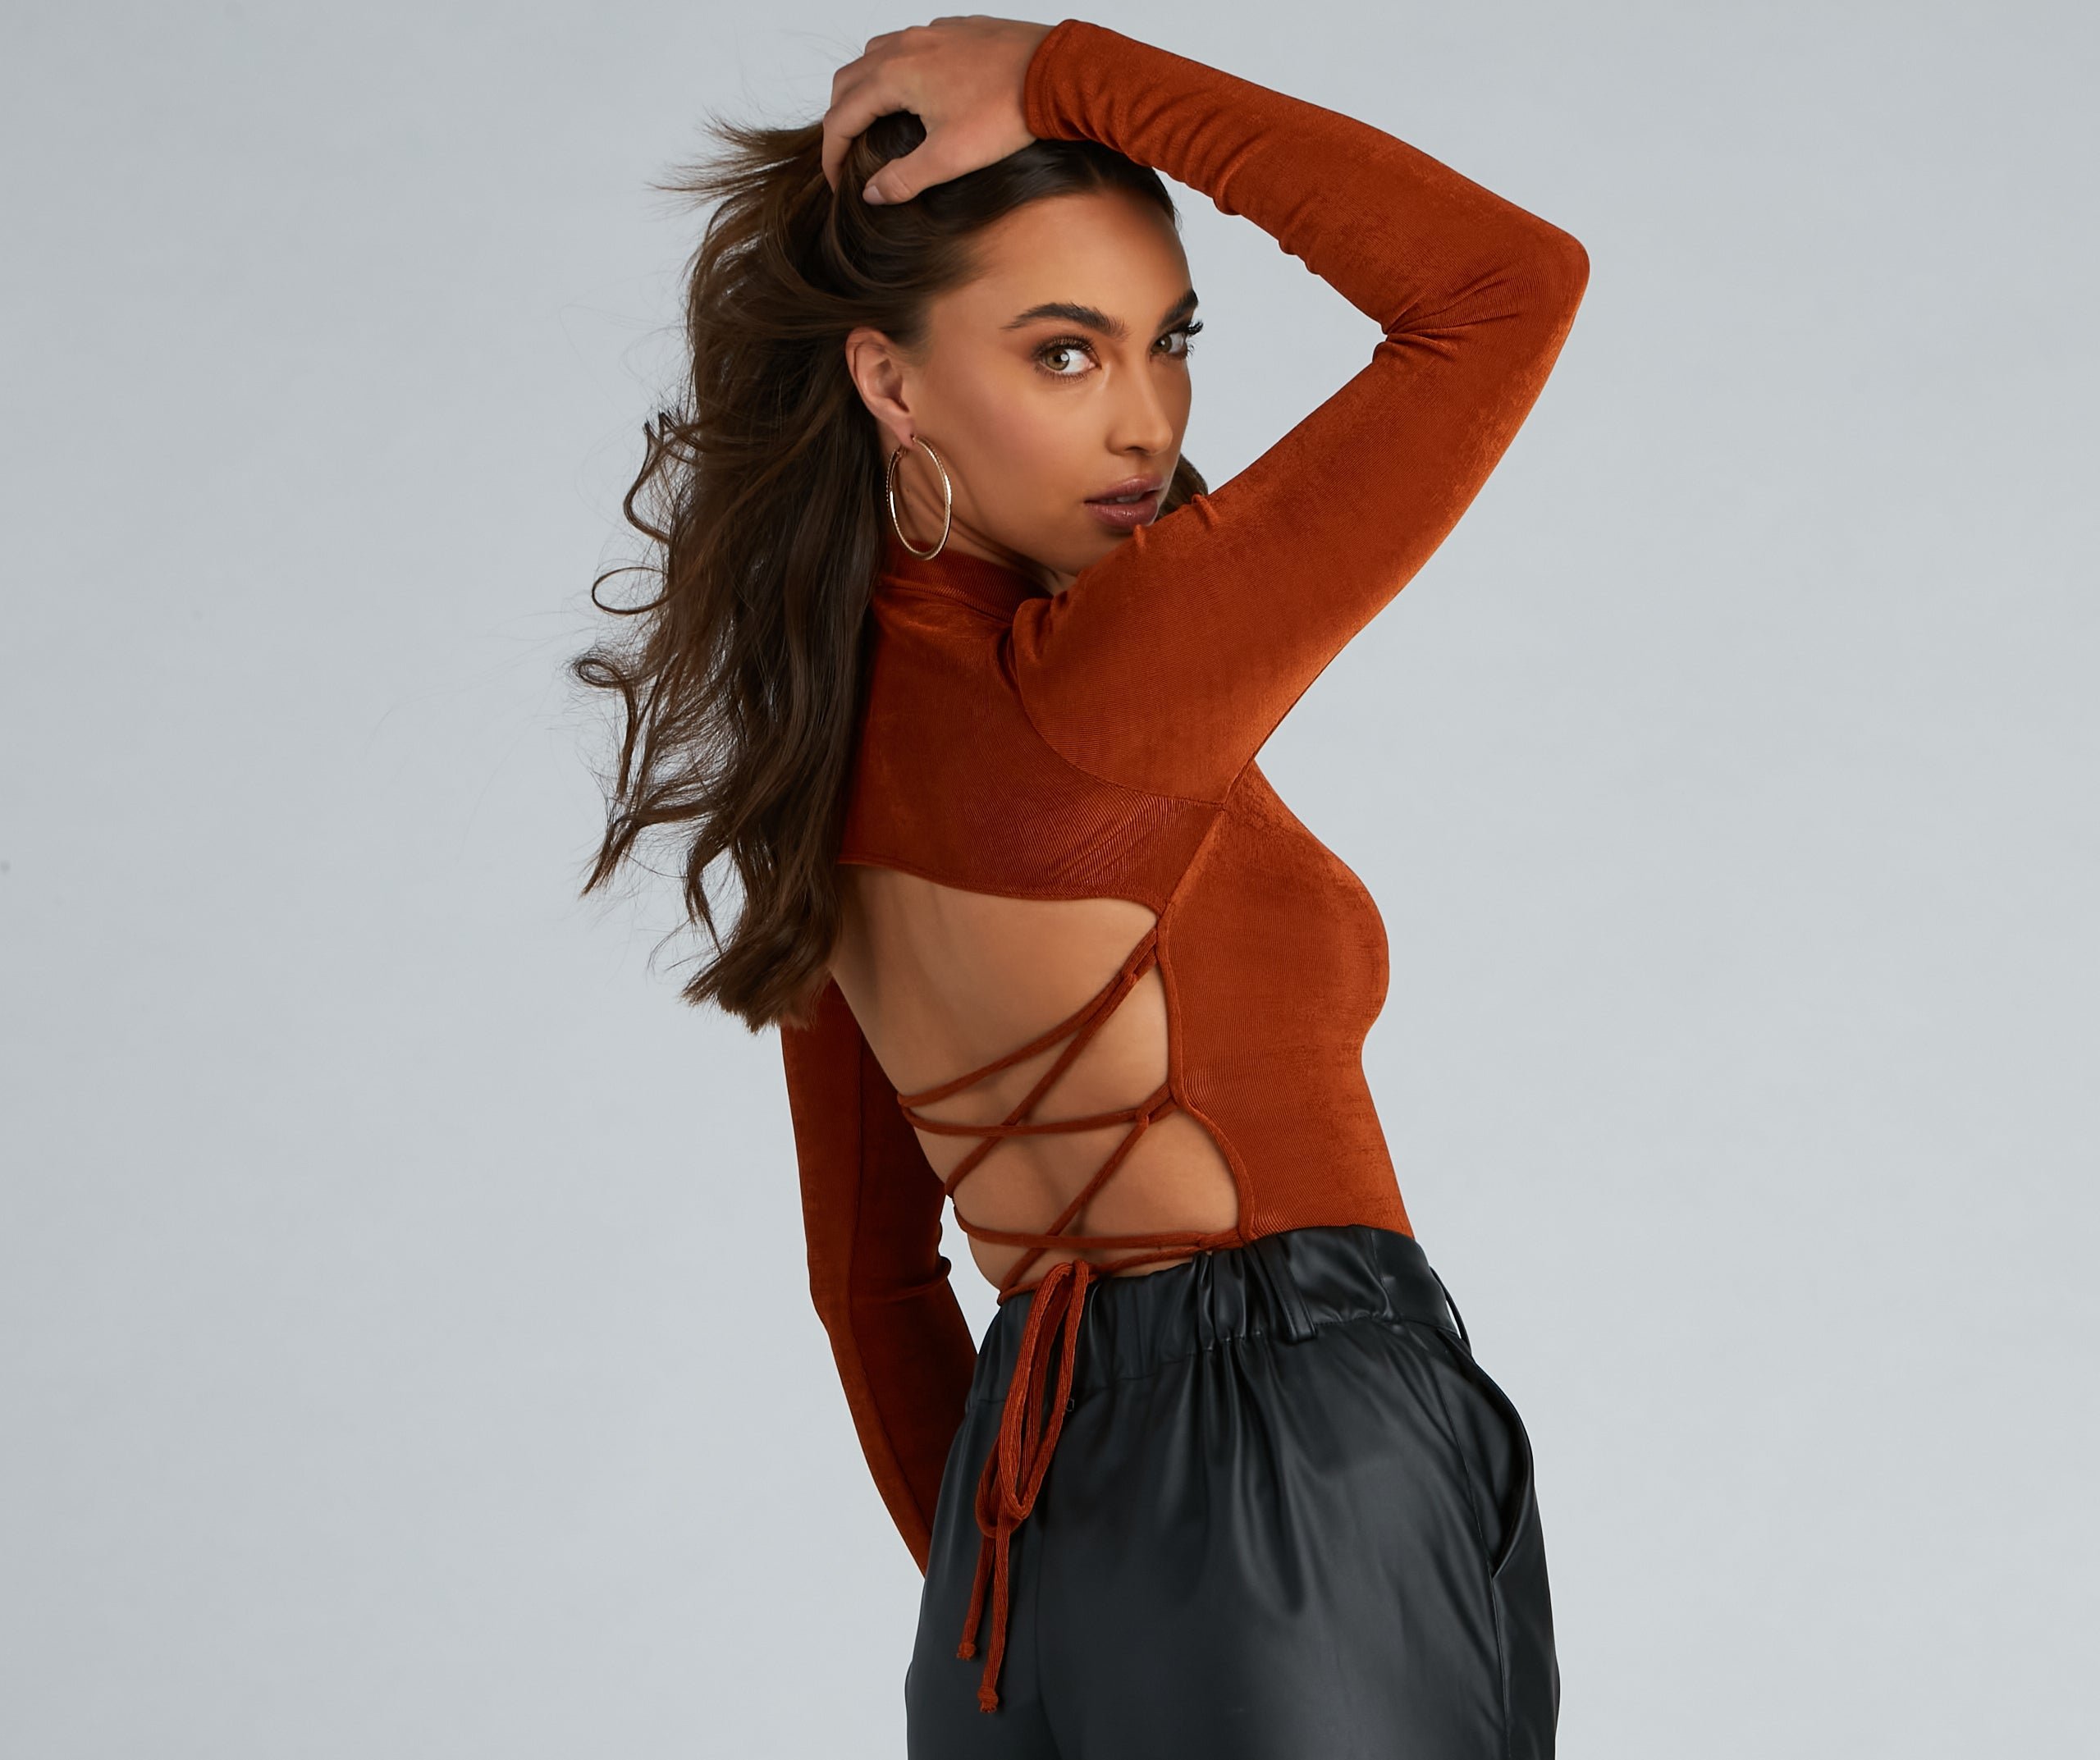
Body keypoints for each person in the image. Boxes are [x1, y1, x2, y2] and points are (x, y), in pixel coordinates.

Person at [575, 14, 1589, 1757]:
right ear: (891, 383)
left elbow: (874, 1290)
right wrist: (1064, 75)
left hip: (1017, 1542)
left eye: (1166, 342)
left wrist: (1041, 1593)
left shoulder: (820, 768)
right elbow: (1502, 287)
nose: (1144, 421)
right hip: (1303, 1462)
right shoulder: (1097, 687)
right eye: (1063, 353)